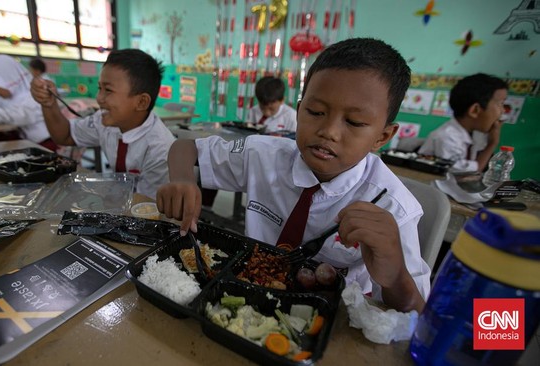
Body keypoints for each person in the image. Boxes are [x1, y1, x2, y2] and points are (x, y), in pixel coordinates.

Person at [157, 38, 430, 313]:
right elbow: (185, 147)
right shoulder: (262, 155)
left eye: (354, 122)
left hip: (334, 319)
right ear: (298, 111)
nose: (329, 131)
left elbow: (416, 313)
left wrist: (395, 275)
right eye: (316, 112)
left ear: (382, 136)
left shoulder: (393, 207)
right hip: (249, 295)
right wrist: (182, 178)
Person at [30, 49, 175, 199]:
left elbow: (147, 206)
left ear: (141, 102)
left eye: (108, 90)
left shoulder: (160, 149)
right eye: (100, 88)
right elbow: (65, 135)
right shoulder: (104, 120)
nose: (99, 98)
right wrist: (48, 104)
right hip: (119, 203)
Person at [418, 73, 508, 172]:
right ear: (474, 110)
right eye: (501, 104)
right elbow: (466, 173)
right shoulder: (447, 137)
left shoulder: (476, 134)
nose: (503, 111)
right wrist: (492, 143)